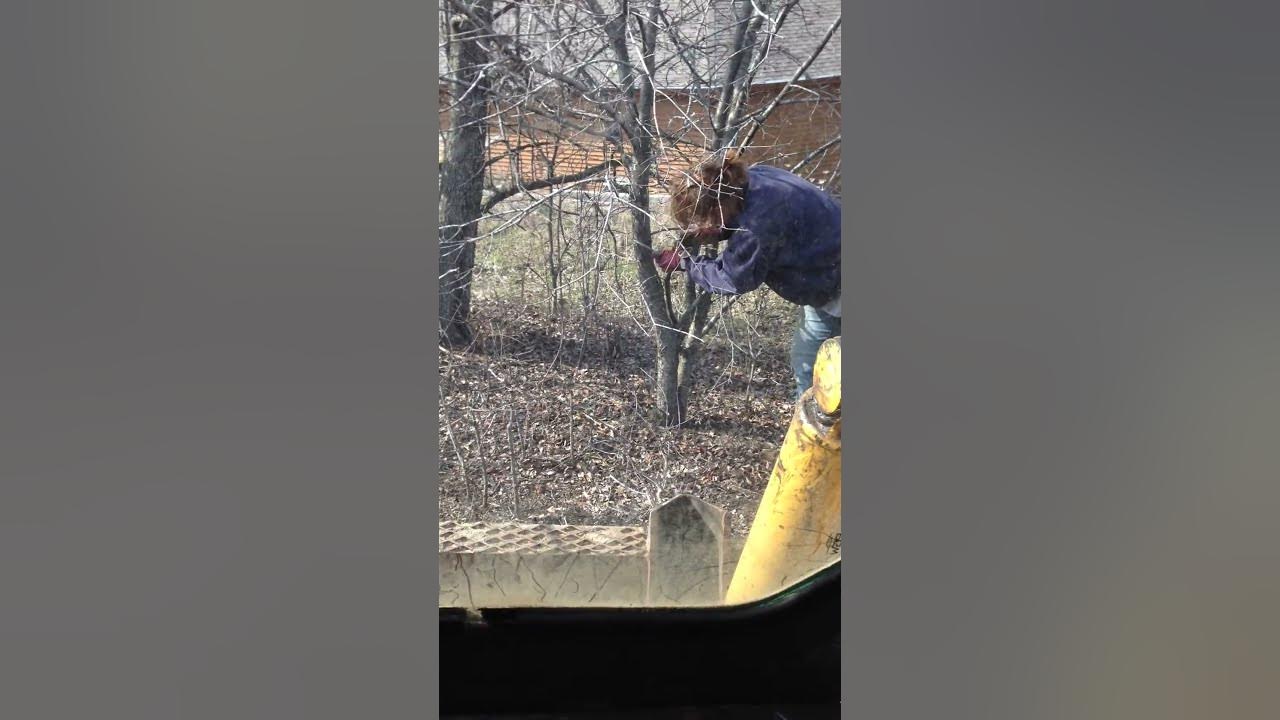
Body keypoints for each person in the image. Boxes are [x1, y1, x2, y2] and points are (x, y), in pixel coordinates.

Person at [654, 153, 840, 399]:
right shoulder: (754, 177)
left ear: (719, 206)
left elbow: (732, 278)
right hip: (828, 271)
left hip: (839, 283)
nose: (699, 226)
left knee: (823, 379)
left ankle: (819, 433)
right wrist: (712, 232)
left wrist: (685, 264)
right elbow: (741, 222)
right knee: (808, 362)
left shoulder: (757, 226)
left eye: (702, 220)